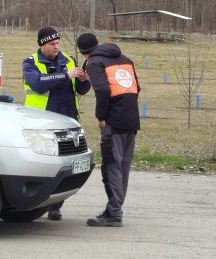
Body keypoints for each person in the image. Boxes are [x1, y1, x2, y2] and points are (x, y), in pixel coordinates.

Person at [23, 26, 91, 220]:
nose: (56, 47)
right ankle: (35, 204)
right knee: (45, 166)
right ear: (42, 44)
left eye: (58, 43)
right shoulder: (30, 62)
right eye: (52, 44)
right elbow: (37, 83)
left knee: (66, 167)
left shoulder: (68, 60)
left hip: (68, 120)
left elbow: (82, 89)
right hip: (41, 122)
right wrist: (65, 75)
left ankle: (55, 206)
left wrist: (84, 81)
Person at [76, 33, 140, 227]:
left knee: (111, 166)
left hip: (113, 121)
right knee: (123, 167)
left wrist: (101, 117)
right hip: (131, 119)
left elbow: (102, 90)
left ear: (83, 53)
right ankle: (114, 208)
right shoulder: (125, 59)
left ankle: (113, 213)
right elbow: (136, 88)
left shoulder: (95, 62)